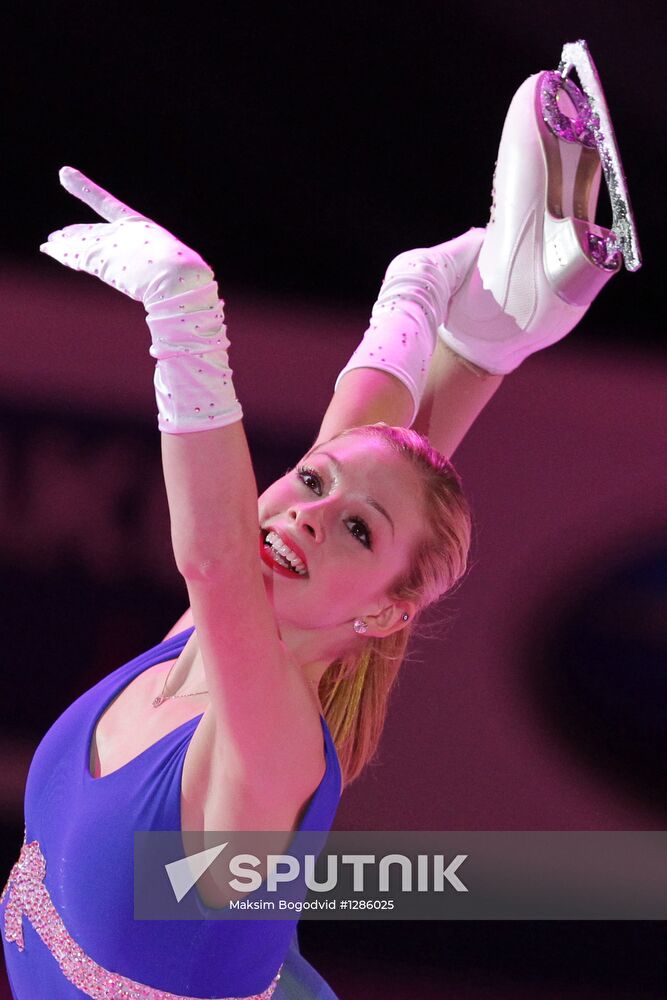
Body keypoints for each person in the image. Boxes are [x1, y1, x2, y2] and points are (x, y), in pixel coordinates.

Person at [1, 40, 639, 1000]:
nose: (308, 515)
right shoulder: (203, 652)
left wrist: (183, 315)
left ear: (385, 614)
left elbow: (220, 560)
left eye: (355, 535)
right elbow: (357, 458)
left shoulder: (273, 749)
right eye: (302, 486)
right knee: (379, 452)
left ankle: (507, 315)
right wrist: (413, 294)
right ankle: (507, 317)